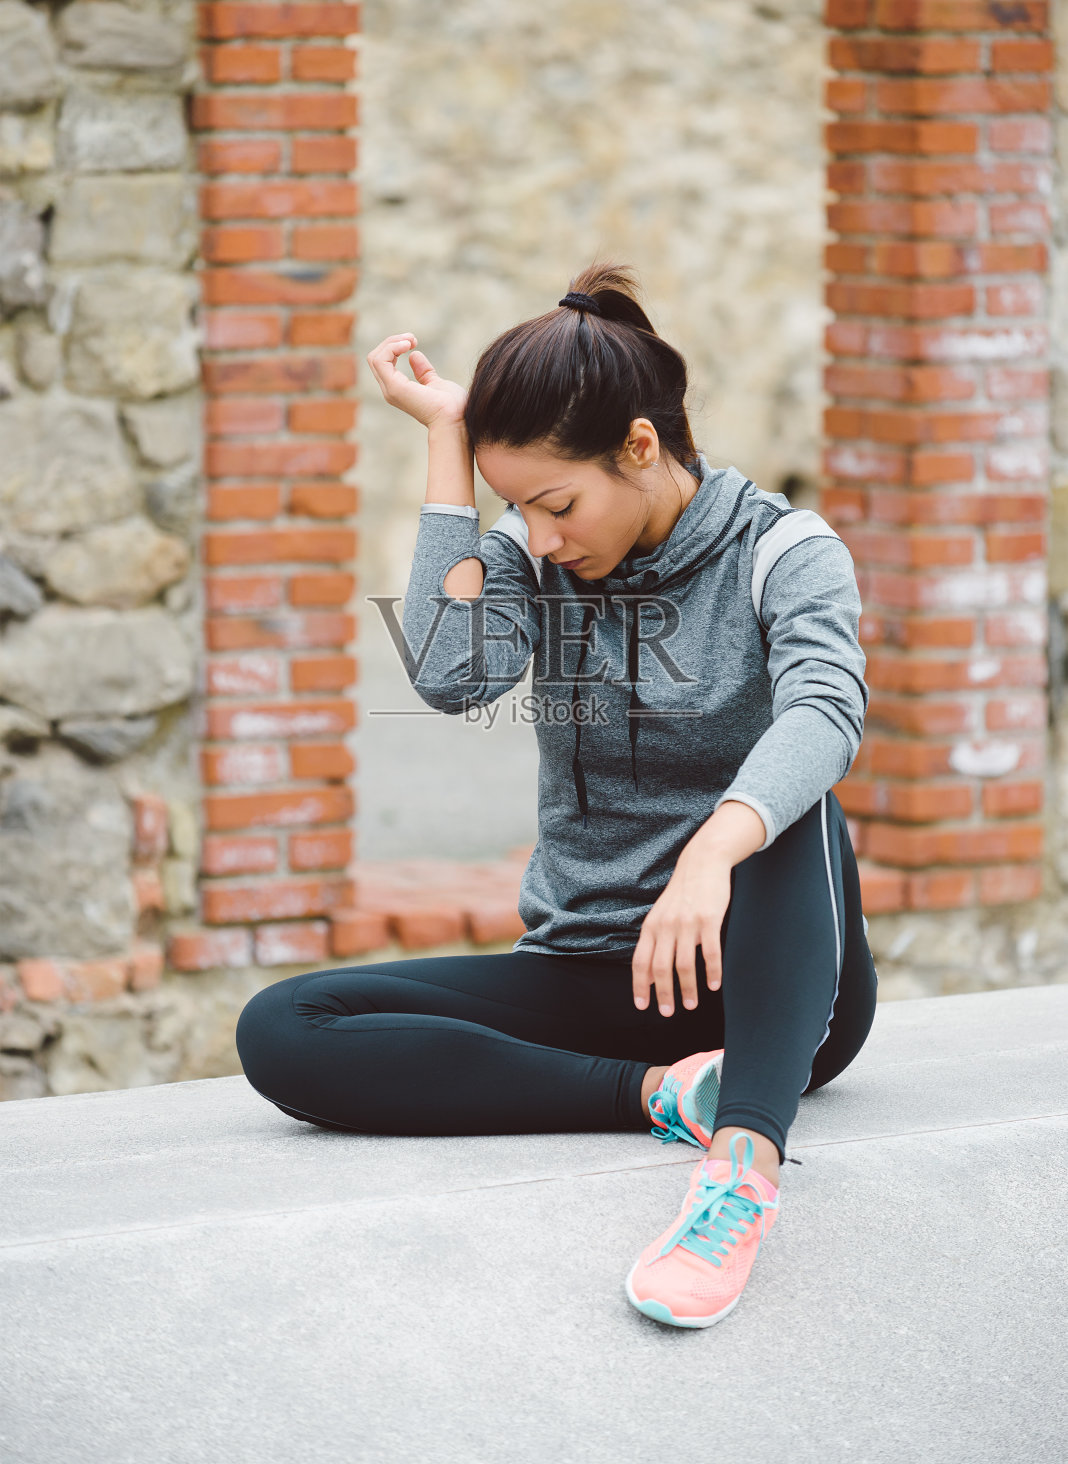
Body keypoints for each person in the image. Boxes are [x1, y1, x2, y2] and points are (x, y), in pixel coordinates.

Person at [235, 261, 878, 1330]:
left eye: (557, 502)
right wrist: (449, 444)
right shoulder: (538, 558)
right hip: (603, 975)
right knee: (289, 1024)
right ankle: (668, 1096)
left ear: (640, 445)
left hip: (774, 983)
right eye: (516, 506)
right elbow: (448, 673)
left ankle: (743, 1167)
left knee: (795, 784)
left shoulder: (784, 552)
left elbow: (828, 705)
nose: (540, 533)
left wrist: (712, 850)